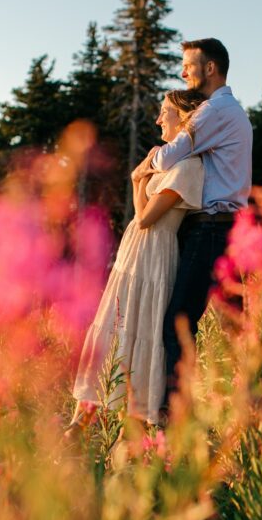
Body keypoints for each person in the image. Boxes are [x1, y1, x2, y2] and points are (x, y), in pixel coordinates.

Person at [71, 89, 207, 426]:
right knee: (112, 324)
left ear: (184, 118)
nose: (159, 119)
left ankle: (135, 423)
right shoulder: (164, 160)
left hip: (156, 253)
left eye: (165, 112)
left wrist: (135, 181)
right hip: (135, 251)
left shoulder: (190, 167)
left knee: (140, 327)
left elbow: (147, 218)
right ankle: (81, 421)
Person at [136, 38, 253, 422]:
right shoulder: (229, 110)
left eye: (189, 65)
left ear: (211, 69)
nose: (184, 72)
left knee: (179, 322)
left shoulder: (214, 109)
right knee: (235, 326)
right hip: (222, 228)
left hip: (210, 230)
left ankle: (174, 414)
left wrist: (144, 165)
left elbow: (170, 154)